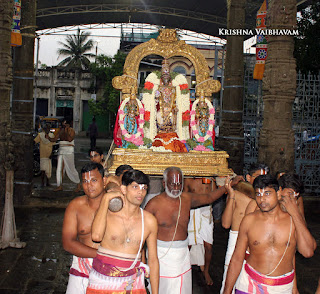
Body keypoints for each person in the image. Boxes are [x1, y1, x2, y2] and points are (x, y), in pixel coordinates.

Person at [145, 166, 243, 294]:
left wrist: (227, 186)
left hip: (182, 257)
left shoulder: (186, 199)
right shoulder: (153, 204)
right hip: (160, 256)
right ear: (164, 184)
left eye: (179, 184)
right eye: (172, 184)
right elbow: (141, 232)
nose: (176, 188)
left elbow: (209, 197)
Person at [223, 174, 316, 294]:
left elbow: (307, 251)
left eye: (267, 194)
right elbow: (237, 258)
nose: (262, 199)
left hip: (281, 287)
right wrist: (227, 290)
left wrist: (295, 213)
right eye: (258, 194)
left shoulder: (293, 221)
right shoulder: (249, 220)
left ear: (278, 193)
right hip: (249, 283)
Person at [86, 170, 159, 294]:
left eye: (144, 188)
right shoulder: (109, 213)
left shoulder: (149, 221)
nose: (140, 192)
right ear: (123, 189)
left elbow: (153, 259)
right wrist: (106, 198)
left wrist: (155, 292)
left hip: (133, 284)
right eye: (135, 187)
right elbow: (96, 236)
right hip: (103, 282)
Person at [62, 162, 107, 294]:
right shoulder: (75, 206)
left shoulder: (114, 204)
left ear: (104, 181)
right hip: (82, 264)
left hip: (109, 266)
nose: (89, 185)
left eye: (94, 180)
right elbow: (68, 243)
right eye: (85, 181)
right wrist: (100, 255)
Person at [220, 181, 255, 294]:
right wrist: (231, 196)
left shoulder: (264, 198)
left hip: (254, 244)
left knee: (248, 283)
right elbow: (226, 224)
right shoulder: (236, 194)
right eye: (257, 175)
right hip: (236, 240)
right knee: (229, 280)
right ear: (248, 177)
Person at [185, 177, 217, 286]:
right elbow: (184, 197)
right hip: (192, 211)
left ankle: (206, 271)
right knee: (188, 244)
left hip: (206, 212)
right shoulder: (188, 180)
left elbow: (215, 194)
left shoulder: (210, 178)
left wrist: (213, 182)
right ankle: (183, 269)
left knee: (208, 246)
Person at [48, 117, 81, 192]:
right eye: (63, 124)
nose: (63, 125)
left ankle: (78, 184)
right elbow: (54, 139)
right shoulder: (60, 131)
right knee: (59, 168)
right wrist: (48, 137)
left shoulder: (72, 131)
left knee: (71, 168)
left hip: (69, 151)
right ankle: (59, 185)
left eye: (65, 124)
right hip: (61, 150)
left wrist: (66, 131)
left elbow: (69, 139)